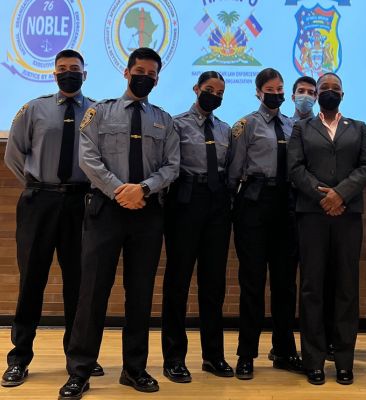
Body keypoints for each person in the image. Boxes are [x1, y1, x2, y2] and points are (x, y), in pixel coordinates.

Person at [58, 47, 180, 399]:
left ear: (157, 79)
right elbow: (88, 158)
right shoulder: (98, 112)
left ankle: (134, 369)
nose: (145, 77)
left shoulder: (165, 119)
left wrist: (142, 189)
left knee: (140, 295)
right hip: (106, 212)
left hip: (147, 212)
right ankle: (79, 371)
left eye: (152, 74)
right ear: (127, 73)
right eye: (139, 71)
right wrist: (119, 191)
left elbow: (172, 165)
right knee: (92, 293)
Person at [2, 49, 103, 387]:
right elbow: (14, 155)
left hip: (80, 203)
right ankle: (19, 358)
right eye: (62, 69)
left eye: (74, 69)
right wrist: (39, 185)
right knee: (32, 280)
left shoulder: (97, 112)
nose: (68, 73)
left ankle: (80, 356)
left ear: (84, 74)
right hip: (39, 202)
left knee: (79, 283)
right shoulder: (34, 109)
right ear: (54, 73)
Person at [288, 72, 366, 386]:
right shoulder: (302, 127)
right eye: (324, 88)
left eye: (334, 88)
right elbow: (295, 168)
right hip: (312, 213)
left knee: (346, 288)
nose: (328, 92)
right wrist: (324, 196)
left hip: (348, 215)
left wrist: (341, 195)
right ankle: (313, 361)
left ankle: (343, 362)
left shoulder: (360, 128)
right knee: (312, 288)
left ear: (343, 93)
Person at [229, 68, 303, 380]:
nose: (276, 93)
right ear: (258, 92)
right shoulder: (245, 125)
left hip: (286, 206)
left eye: (280, 88)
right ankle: (247, 354)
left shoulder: (293, 125)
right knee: (253, 282)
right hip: (255, 204)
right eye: (270, 88)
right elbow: (233, 171)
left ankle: (284, 350)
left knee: (286, 284)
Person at [161, 71, 233, 382]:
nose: (213, 96)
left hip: (217, 202)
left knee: (214, 282)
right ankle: (174, 357)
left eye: (219, 92)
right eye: (208, 90)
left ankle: (213, 355)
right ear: (196, 89)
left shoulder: (226, 129)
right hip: (185, 200)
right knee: (178, 282)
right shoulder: (176, 124)